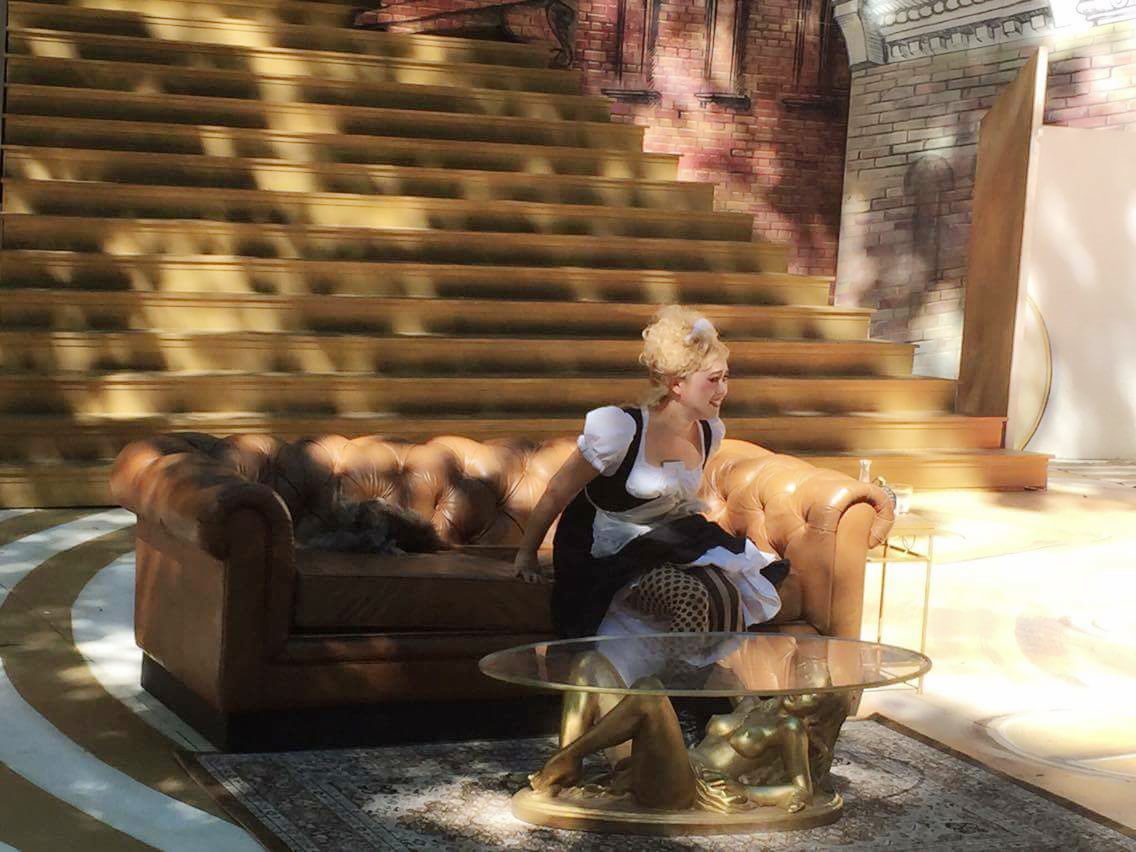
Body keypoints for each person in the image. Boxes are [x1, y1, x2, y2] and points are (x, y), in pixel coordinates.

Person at [512, 305, 786, 645]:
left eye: (726, 378)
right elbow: (558, 491)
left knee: (726, 592)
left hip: (667, 541)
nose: (723, 390)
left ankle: (704, 676)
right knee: (689, 597)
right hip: (610, 549)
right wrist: (526, 555)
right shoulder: (620, 429)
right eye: (713, 380)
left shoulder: (708, 432)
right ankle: (678, 676)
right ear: (677, 384)